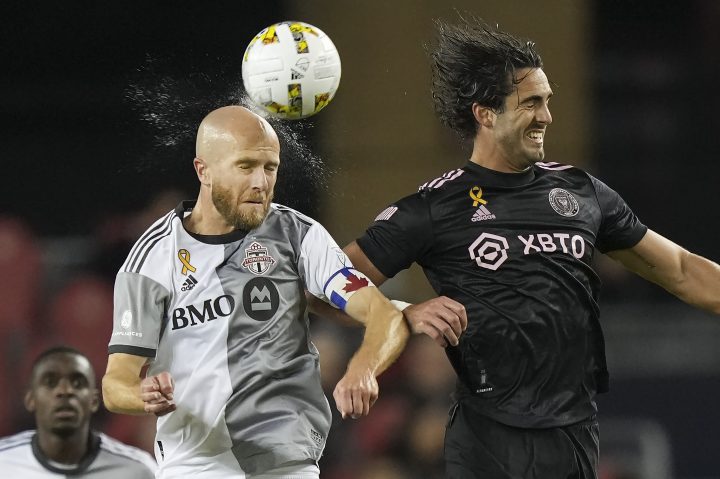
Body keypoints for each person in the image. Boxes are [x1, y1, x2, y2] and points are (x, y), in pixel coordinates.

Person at [331, 18, 720, 479]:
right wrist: (404, 313)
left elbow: (680, 269)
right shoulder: (433, 208)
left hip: (574, 434)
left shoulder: (581, 193)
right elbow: (325, 288)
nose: (547, 116)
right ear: (485, 114)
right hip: (488, 438)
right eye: (531, 103)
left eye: (547, 101)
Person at [101, 105, 409, 479]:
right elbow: (115, 384)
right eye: (245, 166)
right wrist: (143, 395)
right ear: (203, 170)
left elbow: (382, 314)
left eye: (270, 167)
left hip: (287, 463)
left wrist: (364, 367)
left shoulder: (298, 236)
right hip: (196, 465)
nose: (261, 182)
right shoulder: (153, 258)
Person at [0, 346, 156, 477]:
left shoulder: (139, 470)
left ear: (94, 400)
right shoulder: (4, 462)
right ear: (30, 399)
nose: (65, 390)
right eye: (50, 382)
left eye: (77, 383)